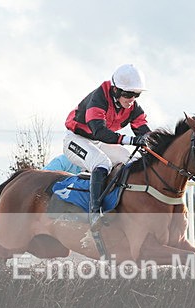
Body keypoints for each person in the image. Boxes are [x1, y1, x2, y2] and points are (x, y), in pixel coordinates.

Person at [63, 64, 151, 225]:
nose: (131, 99)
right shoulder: (98, 98)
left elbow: (143, 130)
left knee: (132, 161)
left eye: (136, 94)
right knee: (101, 162)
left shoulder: (132, 106)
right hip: (76, 140)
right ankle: (95, 213)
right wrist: (132, 140)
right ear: (115, 90)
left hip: (100, 142)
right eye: (128, 94)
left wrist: (154, 144)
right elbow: (100, 132)